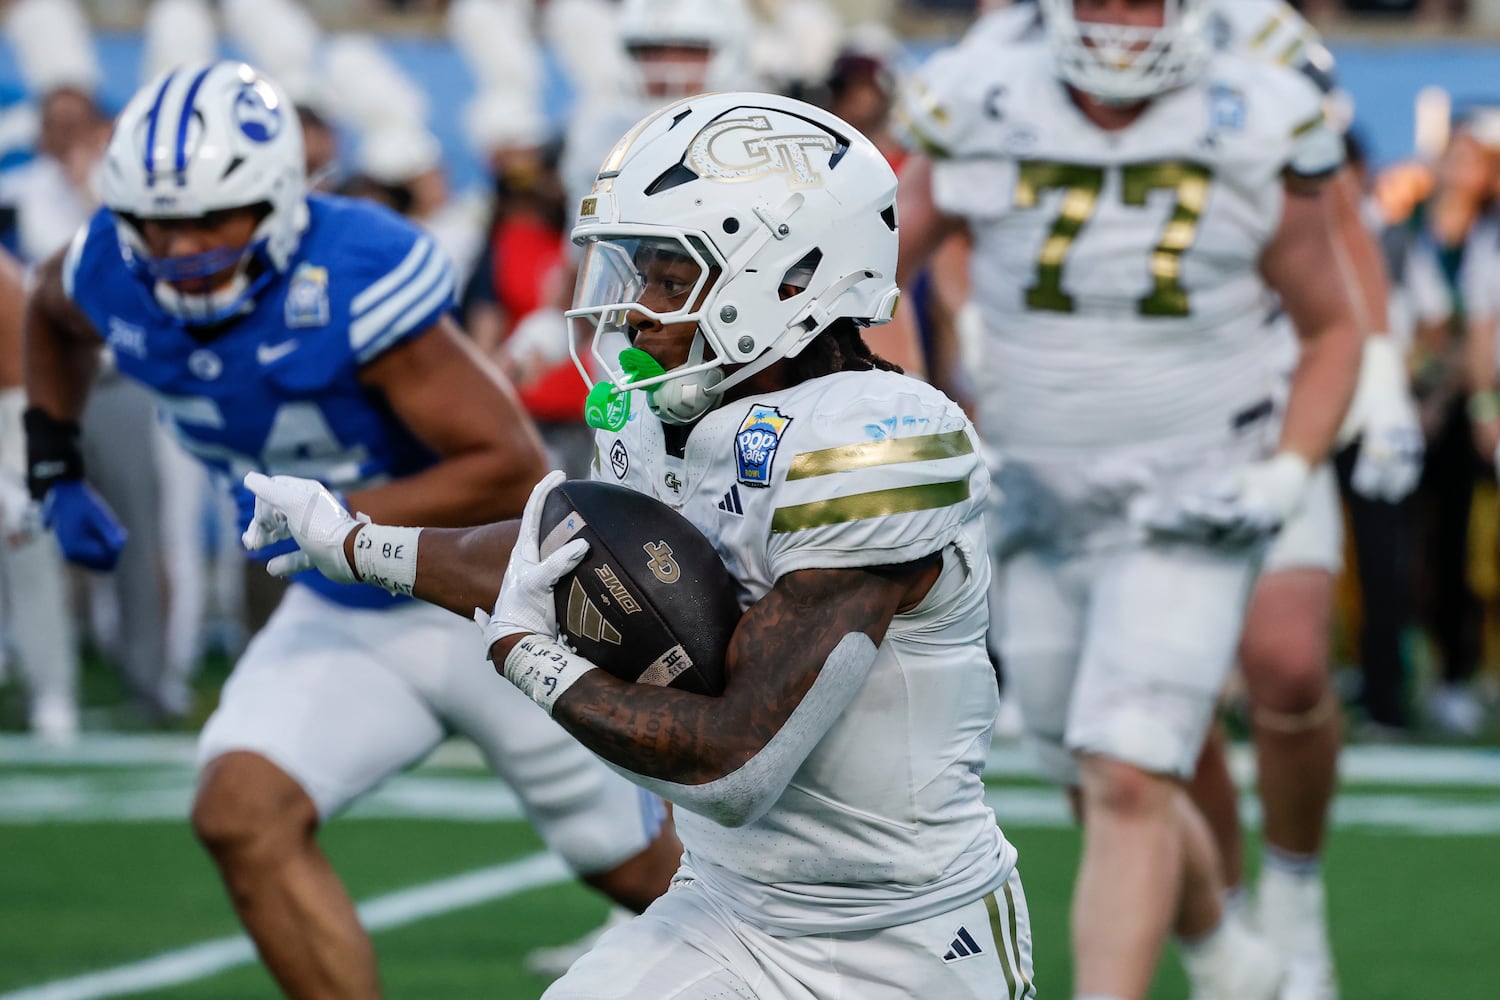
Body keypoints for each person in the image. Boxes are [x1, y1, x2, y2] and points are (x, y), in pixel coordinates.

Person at [243, 89, 1034, 1000]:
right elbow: (556, 552)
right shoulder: (672, 417)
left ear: (789, 277)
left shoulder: (874, 441)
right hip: (727, 911)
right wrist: (351, 541)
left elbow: (735, 763)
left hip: (901, 940)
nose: (635, 313)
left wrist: (531, 661)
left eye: (670, 280)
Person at [22, 61, 681, 1000]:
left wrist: (345, 524)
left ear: (283, 202)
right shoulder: (108, 266)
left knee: (635, 872)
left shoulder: (355, 268)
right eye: (157, 224)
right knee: (240, 813)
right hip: (341, 610)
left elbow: (510, 464)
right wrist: (53, 458)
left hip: (479, 600)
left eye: (213, 218)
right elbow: (50, 313)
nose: (181, 248)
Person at [896, 2, 1363, 998]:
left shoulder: (1257, 107)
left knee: (1127, 771)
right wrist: (920, 416)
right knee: (1080, 758)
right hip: (1031, 490)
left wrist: (1286, 469)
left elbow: (1333, 327)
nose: (1117, 17)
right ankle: (1227, 955)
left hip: (1189, 494)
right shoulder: (984, 90)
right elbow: (870, 272)